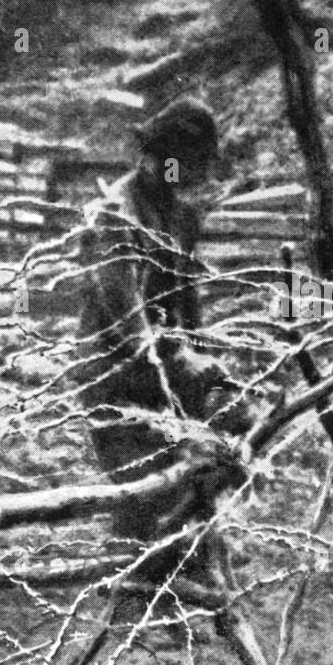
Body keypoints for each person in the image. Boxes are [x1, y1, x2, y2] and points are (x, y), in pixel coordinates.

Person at [76, 96, 235, 542]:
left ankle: (174, 572)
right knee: (141, 490)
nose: (191, 174)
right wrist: (169, 357)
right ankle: (132, 586)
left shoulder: (182, 216)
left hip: (168, 372)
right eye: (186, 162)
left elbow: (186, 294)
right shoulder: (114, 212)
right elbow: (119, 302)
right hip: (114, 373)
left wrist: (201, 362)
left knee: (186, 480)